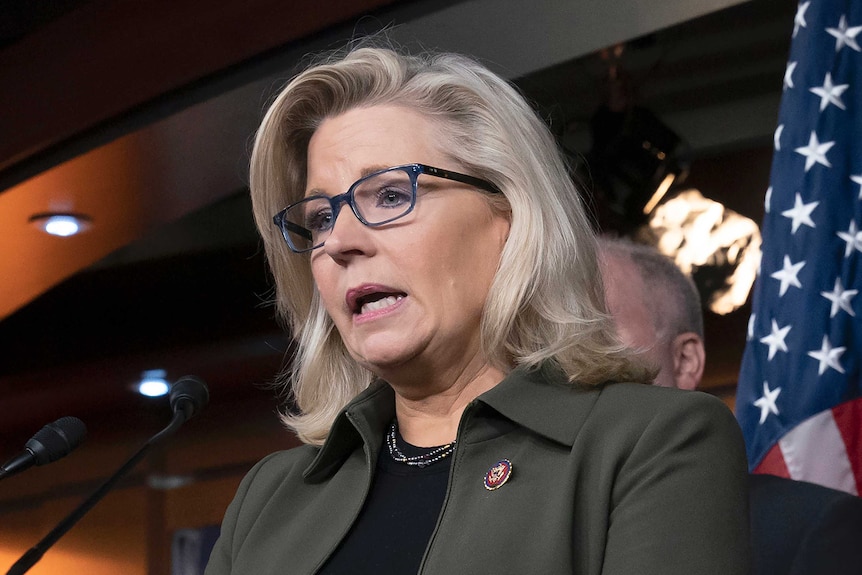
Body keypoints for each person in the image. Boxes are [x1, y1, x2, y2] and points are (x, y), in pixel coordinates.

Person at [204, 41, 751, 575]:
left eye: (391, 195)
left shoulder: (653, 442)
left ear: (508, 218)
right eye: (320, 217)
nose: (339, 241)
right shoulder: (267, 499)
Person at [598, 236, 862, 575]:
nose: (563, 358)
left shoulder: (808, 530)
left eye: (592, 326)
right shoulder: (524, 530)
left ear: (684, 361)